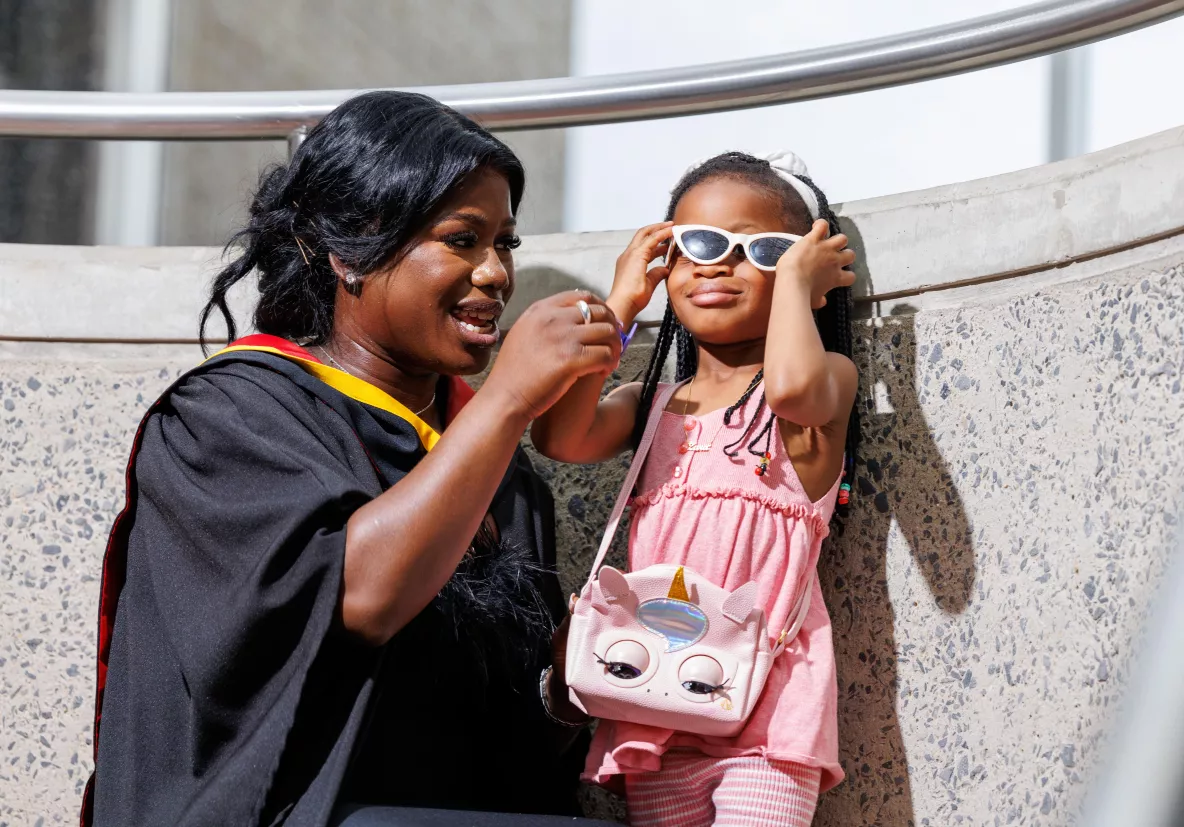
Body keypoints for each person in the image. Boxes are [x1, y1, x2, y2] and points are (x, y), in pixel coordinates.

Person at [82, 91, 624, 827]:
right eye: (463, 239)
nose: (497, 272)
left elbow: (515, 756)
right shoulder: (230, 420)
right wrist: (506, 403)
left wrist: (571, 683)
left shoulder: (505, 473)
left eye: (506, 243)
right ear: (349, 252)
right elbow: (359, 598)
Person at [531, 151, 860, 827]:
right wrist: (622, 302)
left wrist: (797, 287)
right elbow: (558, 437)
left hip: (767, 714)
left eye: (762, 251)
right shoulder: (651, 403)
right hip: (656, 697)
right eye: (699, 244)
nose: (718, 265)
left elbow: (793, 387)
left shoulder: (824, 380)